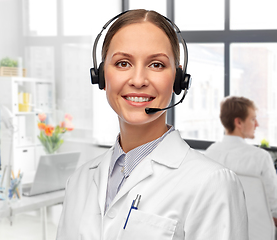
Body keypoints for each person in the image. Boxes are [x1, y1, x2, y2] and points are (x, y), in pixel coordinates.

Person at [57, 9, 248, 239]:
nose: (138, 80)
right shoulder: (79, 181)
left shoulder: (212, 183)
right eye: (123, 63)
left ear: (178, 80)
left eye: (156, 64)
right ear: (101, 76)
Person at [205, 96, 277, 226]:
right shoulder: (261, 157)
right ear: (238, 122)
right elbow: (274, 207)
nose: (257, 124)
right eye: (253, 119)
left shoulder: (209, 153)